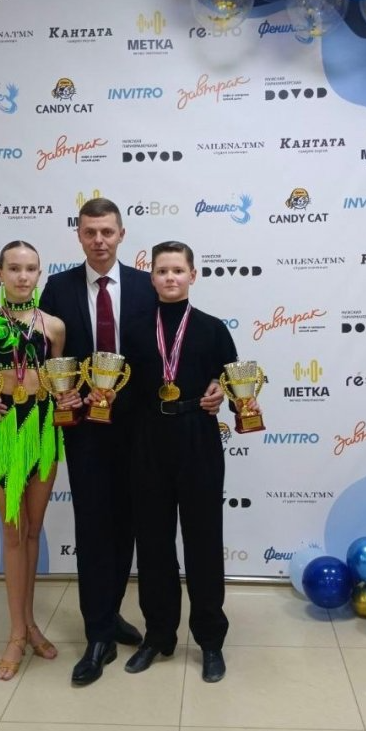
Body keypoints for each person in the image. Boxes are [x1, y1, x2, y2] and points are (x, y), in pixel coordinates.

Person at [38, 198, 225, 685]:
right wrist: (59, 393)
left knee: (138, 532)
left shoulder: (147, 285)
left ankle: (120, 613)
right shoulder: (57, 288)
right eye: (90, 232)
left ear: (122, 234)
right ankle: (98, 633)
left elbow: (181, 351)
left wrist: (216, 385)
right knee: (94, 528)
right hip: (86, 430)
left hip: (145, 432)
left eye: (107, 231)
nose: (99, 240)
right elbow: (46, 359)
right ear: (79, 235)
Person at [112, 240, 250, 684]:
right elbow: (123, 388)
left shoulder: (212, 329)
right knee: (153, 543)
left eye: (177, 270)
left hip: (197, 437)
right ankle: (158, 635)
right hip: (147, 439)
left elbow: (234, 381)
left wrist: (221, 388)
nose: (170, 277)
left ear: (193, 275)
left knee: (203, 542)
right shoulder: (134, 329)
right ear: (151, 277)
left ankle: (210, 640)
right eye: (162, 271)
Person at [0, 240, 72, 681]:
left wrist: (73, 397)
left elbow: (62, 383)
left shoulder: (55, 327)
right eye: (14, 268)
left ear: (39, 274)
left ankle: (30, 625)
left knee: (32, 531)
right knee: (12, 531)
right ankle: (15, 634)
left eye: (30, 269)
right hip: (7, 432)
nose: (23, 276)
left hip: (43, 432)